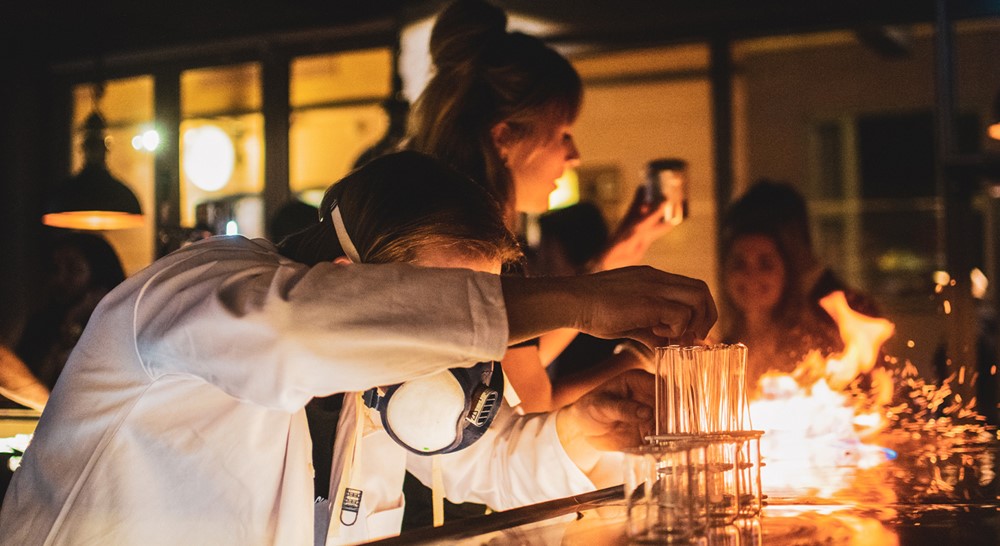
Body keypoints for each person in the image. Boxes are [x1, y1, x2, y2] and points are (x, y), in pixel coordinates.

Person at [0, 152, 716, 545]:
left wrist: (584, 430)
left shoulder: (380, 372)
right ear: (354, 277)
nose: (442, 337)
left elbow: (480, 458)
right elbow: (289, 336)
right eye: (435, 301)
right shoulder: (196, 290)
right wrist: (580, 302)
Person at [404, 0, 674, 415]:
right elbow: (530, 406)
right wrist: (642, 357)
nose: (575, 156)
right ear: (504, 138)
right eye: (563, 133)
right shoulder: (469, 249)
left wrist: (613, 258)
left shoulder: (463, 228)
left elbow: (521, 365)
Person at [717, 179, 880, 386]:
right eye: (738, 263)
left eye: (766, 263)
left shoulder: (835, 324)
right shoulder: (723, 349)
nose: (751, 275)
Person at [531, 202, 653, 409]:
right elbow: (536, 403)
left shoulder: (604, 325)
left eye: (546, 252)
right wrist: (643, 356)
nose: (535, 263)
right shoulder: (549, 321)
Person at [0, 231, 126, 411]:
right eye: (55, 269)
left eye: (72, 269)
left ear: (100, 275)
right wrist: (69, 323)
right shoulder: (41, 323)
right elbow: (31, 382)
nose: (60, 278)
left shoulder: (121, 327)